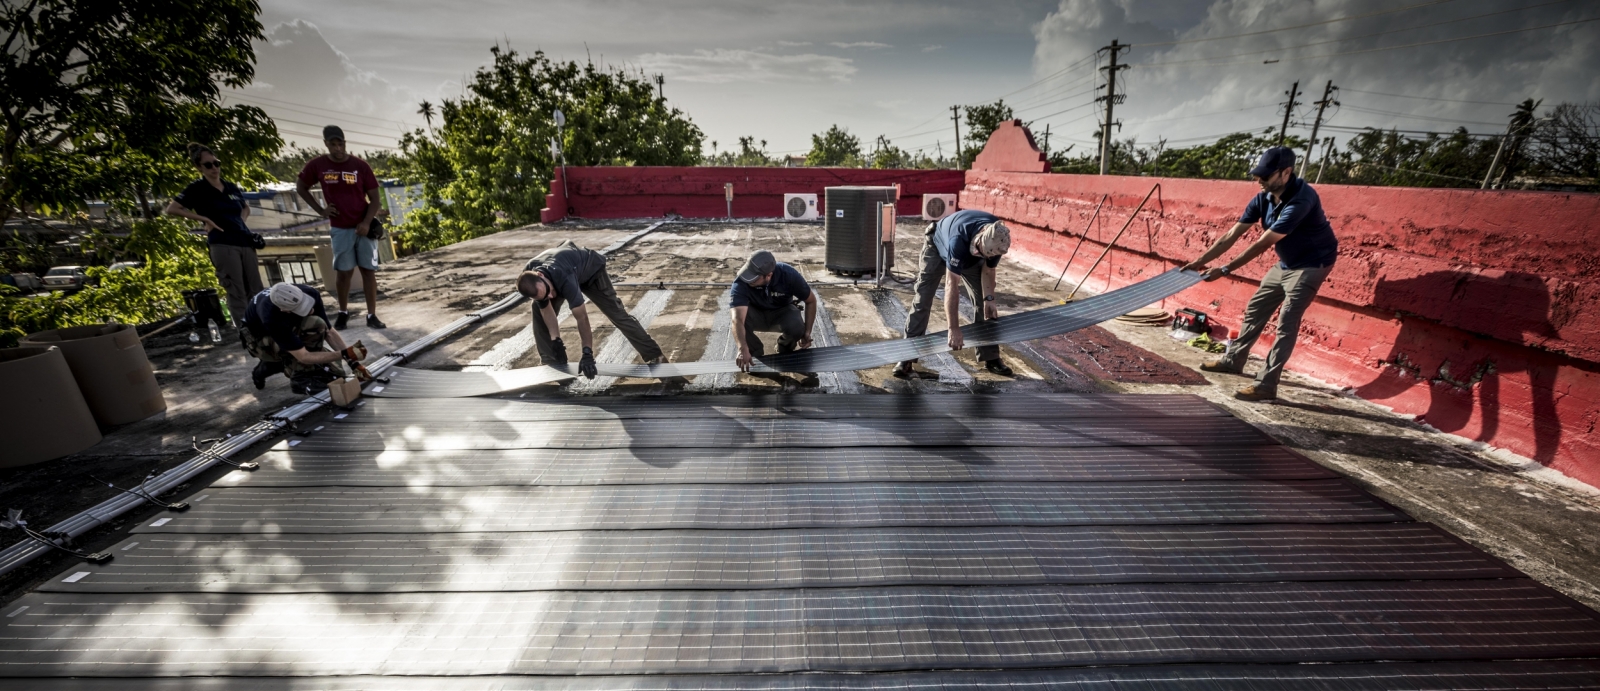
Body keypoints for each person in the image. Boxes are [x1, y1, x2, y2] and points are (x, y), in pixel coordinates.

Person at [1182, 145, 1339, 402]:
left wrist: (1224, 269)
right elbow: (1232, 235)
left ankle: (1266, 385)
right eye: (1258, 174)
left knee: (1286, 322)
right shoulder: (1262, 198)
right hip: (1286, 263)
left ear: (1286, 172)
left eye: (1265, 176)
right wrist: (1199, 261)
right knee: (1256, 307)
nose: (1259, 180)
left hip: (1312, 264)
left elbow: (1263, 243)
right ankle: (1234, 360)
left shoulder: (1302, 199)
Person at [515, 240, 667, 379]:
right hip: (562, 270)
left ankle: (656, 358)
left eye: (549, 291)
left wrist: (587, 353)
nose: (551, 296)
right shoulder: (531, 278)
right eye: (545, 296)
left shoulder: (563, 276)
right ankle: (553, 366)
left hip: (591, 272)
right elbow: (545, 307)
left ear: (541, 275)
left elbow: (582, 318)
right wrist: (556, 340)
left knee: (618, 315)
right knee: (538, 310)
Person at [895, 209, 1015, 379]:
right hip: (937, 247)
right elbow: (952, 285)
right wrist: (953, 328)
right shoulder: (958, 239)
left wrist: (989, 299)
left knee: (984, 304)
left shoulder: (997, 240)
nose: (983, 256)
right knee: (923, 299)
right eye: (981, 252)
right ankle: (906, 358)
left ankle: (991, 358)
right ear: (980, 237)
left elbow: (989, 271)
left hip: (971, 254)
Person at [296, 125, 386, 330]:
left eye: (341, 144)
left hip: (363, 226)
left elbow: (375, 199)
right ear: (326, 144)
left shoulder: (360, 166)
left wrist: (365, 222)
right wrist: (321, 210)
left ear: (345, 143)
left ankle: (372, 315)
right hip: (340, 228)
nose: (338, 148)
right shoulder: (317, 165)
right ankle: (343, 312)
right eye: (333, 144)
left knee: (368, 271)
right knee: (343, 272)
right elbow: (301, 187)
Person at [165, 142, 263, 325]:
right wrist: (205, 219)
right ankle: (246, 331)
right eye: (208, 165)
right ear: (198, 167)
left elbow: (245, 207)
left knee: (255, 288)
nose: (214, 168)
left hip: (244, 240)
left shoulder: (230, 186)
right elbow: (172, 209)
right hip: (222, 243)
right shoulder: (196, 188)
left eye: (216, 163)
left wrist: (241, 221)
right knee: (236, 290)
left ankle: (264, 326)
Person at [242, 282, 362, 394]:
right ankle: (298, 378)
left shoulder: (309, 292)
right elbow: (304, 356)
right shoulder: (270, 316)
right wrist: (344, 353)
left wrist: (353, 362)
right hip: (261, 341)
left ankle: (278, 363)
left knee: (317, 324)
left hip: (285, 326)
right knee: (297, 357)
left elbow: (329, 331)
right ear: (284, 310)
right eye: (301, 308)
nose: (311, 309)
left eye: (306, 302)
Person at [730, 250, 820, 388]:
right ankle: (754, 355)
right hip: (755, 315)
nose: (748, 279)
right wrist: (742, 348)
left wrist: (807, 332)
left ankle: (784, 348)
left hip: (781, 312)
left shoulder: (788, 275)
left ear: (768, 275)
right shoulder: (741, 282)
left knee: (797, 326)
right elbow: (737, 320)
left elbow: (811, 301)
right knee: (741, 318)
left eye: (753, 278)